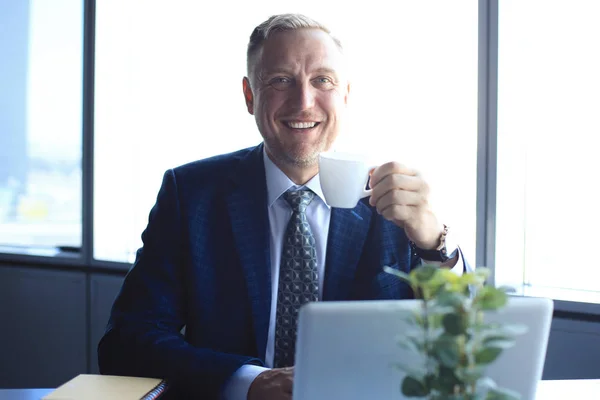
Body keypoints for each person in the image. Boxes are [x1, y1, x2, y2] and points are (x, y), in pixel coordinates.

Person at [98, 13, 468, 400]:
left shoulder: (395, 204)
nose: (303, 102)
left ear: (345, 95)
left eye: (322, 80)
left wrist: (433, 243)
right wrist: (250, 382)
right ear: (249, 96)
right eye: (280, 80)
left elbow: (464, 348)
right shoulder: (190, 195)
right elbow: (126, 342)